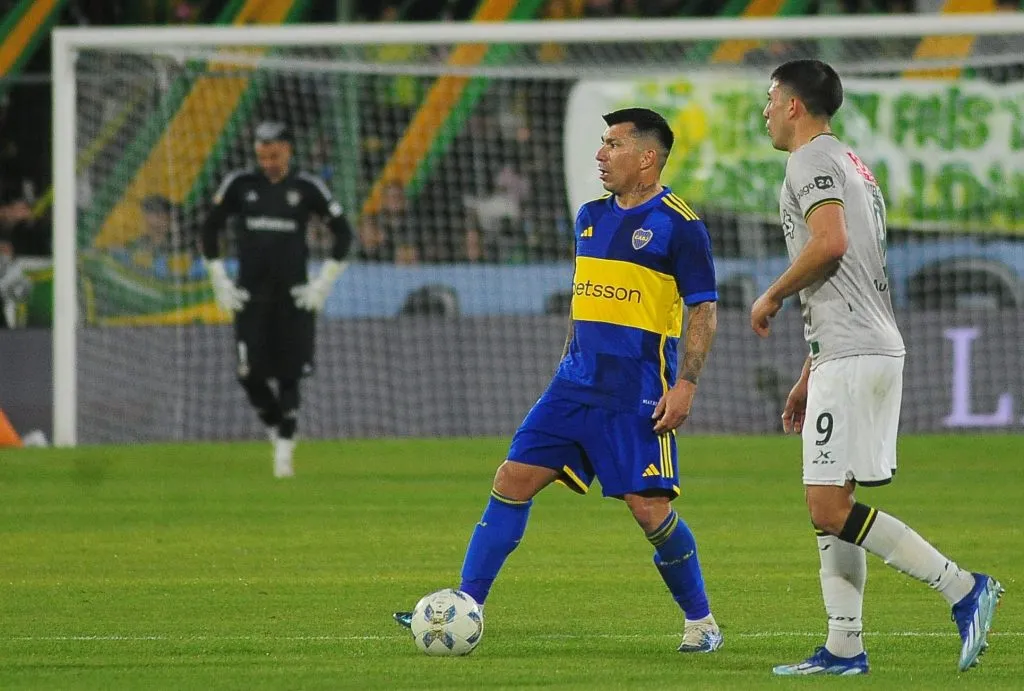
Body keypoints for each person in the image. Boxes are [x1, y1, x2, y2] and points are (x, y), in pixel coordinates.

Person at [393, 108, 723, 653]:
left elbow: (704, 310)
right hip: (572, 386)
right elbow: (583, 299)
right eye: (601, 143)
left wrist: (685, 384)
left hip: (635, 391)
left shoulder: (680, 224)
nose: (600, 154)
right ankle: (466, 605)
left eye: (612, 144)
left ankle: (701, 623)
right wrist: (568, 358)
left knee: (649, 510)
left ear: (647, 158)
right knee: (511, 478)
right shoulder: (589, 216)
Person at [753, 59, 1003, 676]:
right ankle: (844, 646)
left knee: (826, 507)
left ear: (792, 104)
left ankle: (962, 587)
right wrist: (811, 370)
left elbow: (831, 244)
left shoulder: (810, 159)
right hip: (851, 347)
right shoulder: (851, 163)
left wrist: (773, 293)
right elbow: (851, 275)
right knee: (833, 500)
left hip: (858, 351)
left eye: (769, 98)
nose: (764, 111)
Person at [201, 121, 353, 478]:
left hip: (294, 299)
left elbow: (344, 232)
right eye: (262, 155)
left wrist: (322, 283)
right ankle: (276, 428)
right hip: (250, 297)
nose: (268, 162)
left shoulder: (307, 187)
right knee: (248, 374)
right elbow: (210, 227)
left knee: (289, 376)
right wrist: (219, 278)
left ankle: (284, 450)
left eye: (274, 154)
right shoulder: (240, 185)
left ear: (287, 149)